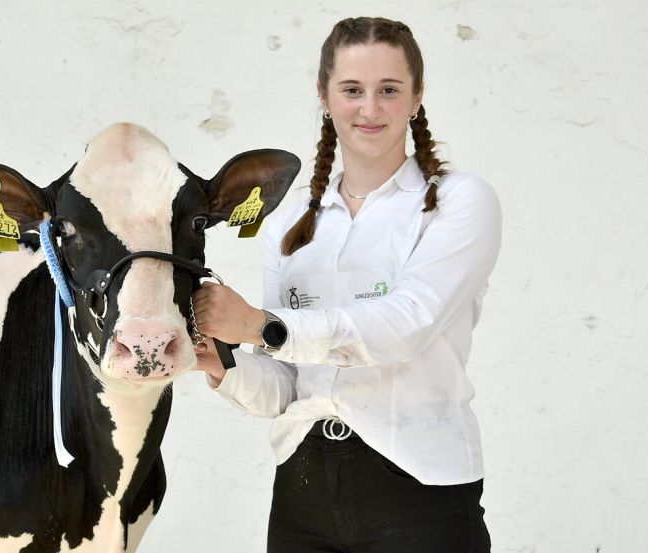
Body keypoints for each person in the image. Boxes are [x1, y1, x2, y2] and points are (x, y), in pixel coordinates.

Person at [190, 16, 501, 553]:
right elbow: (288, 386)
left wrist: (260, 325)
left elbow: (405, 325)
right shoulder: (290, 226)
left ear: (417, 97)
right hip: (302, 492)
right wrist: (223, 362)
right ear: (324, 95)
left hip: (420, 490)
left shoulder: (459, 202)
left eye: (389, 90)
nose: (370, 108)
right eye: (352, 90)